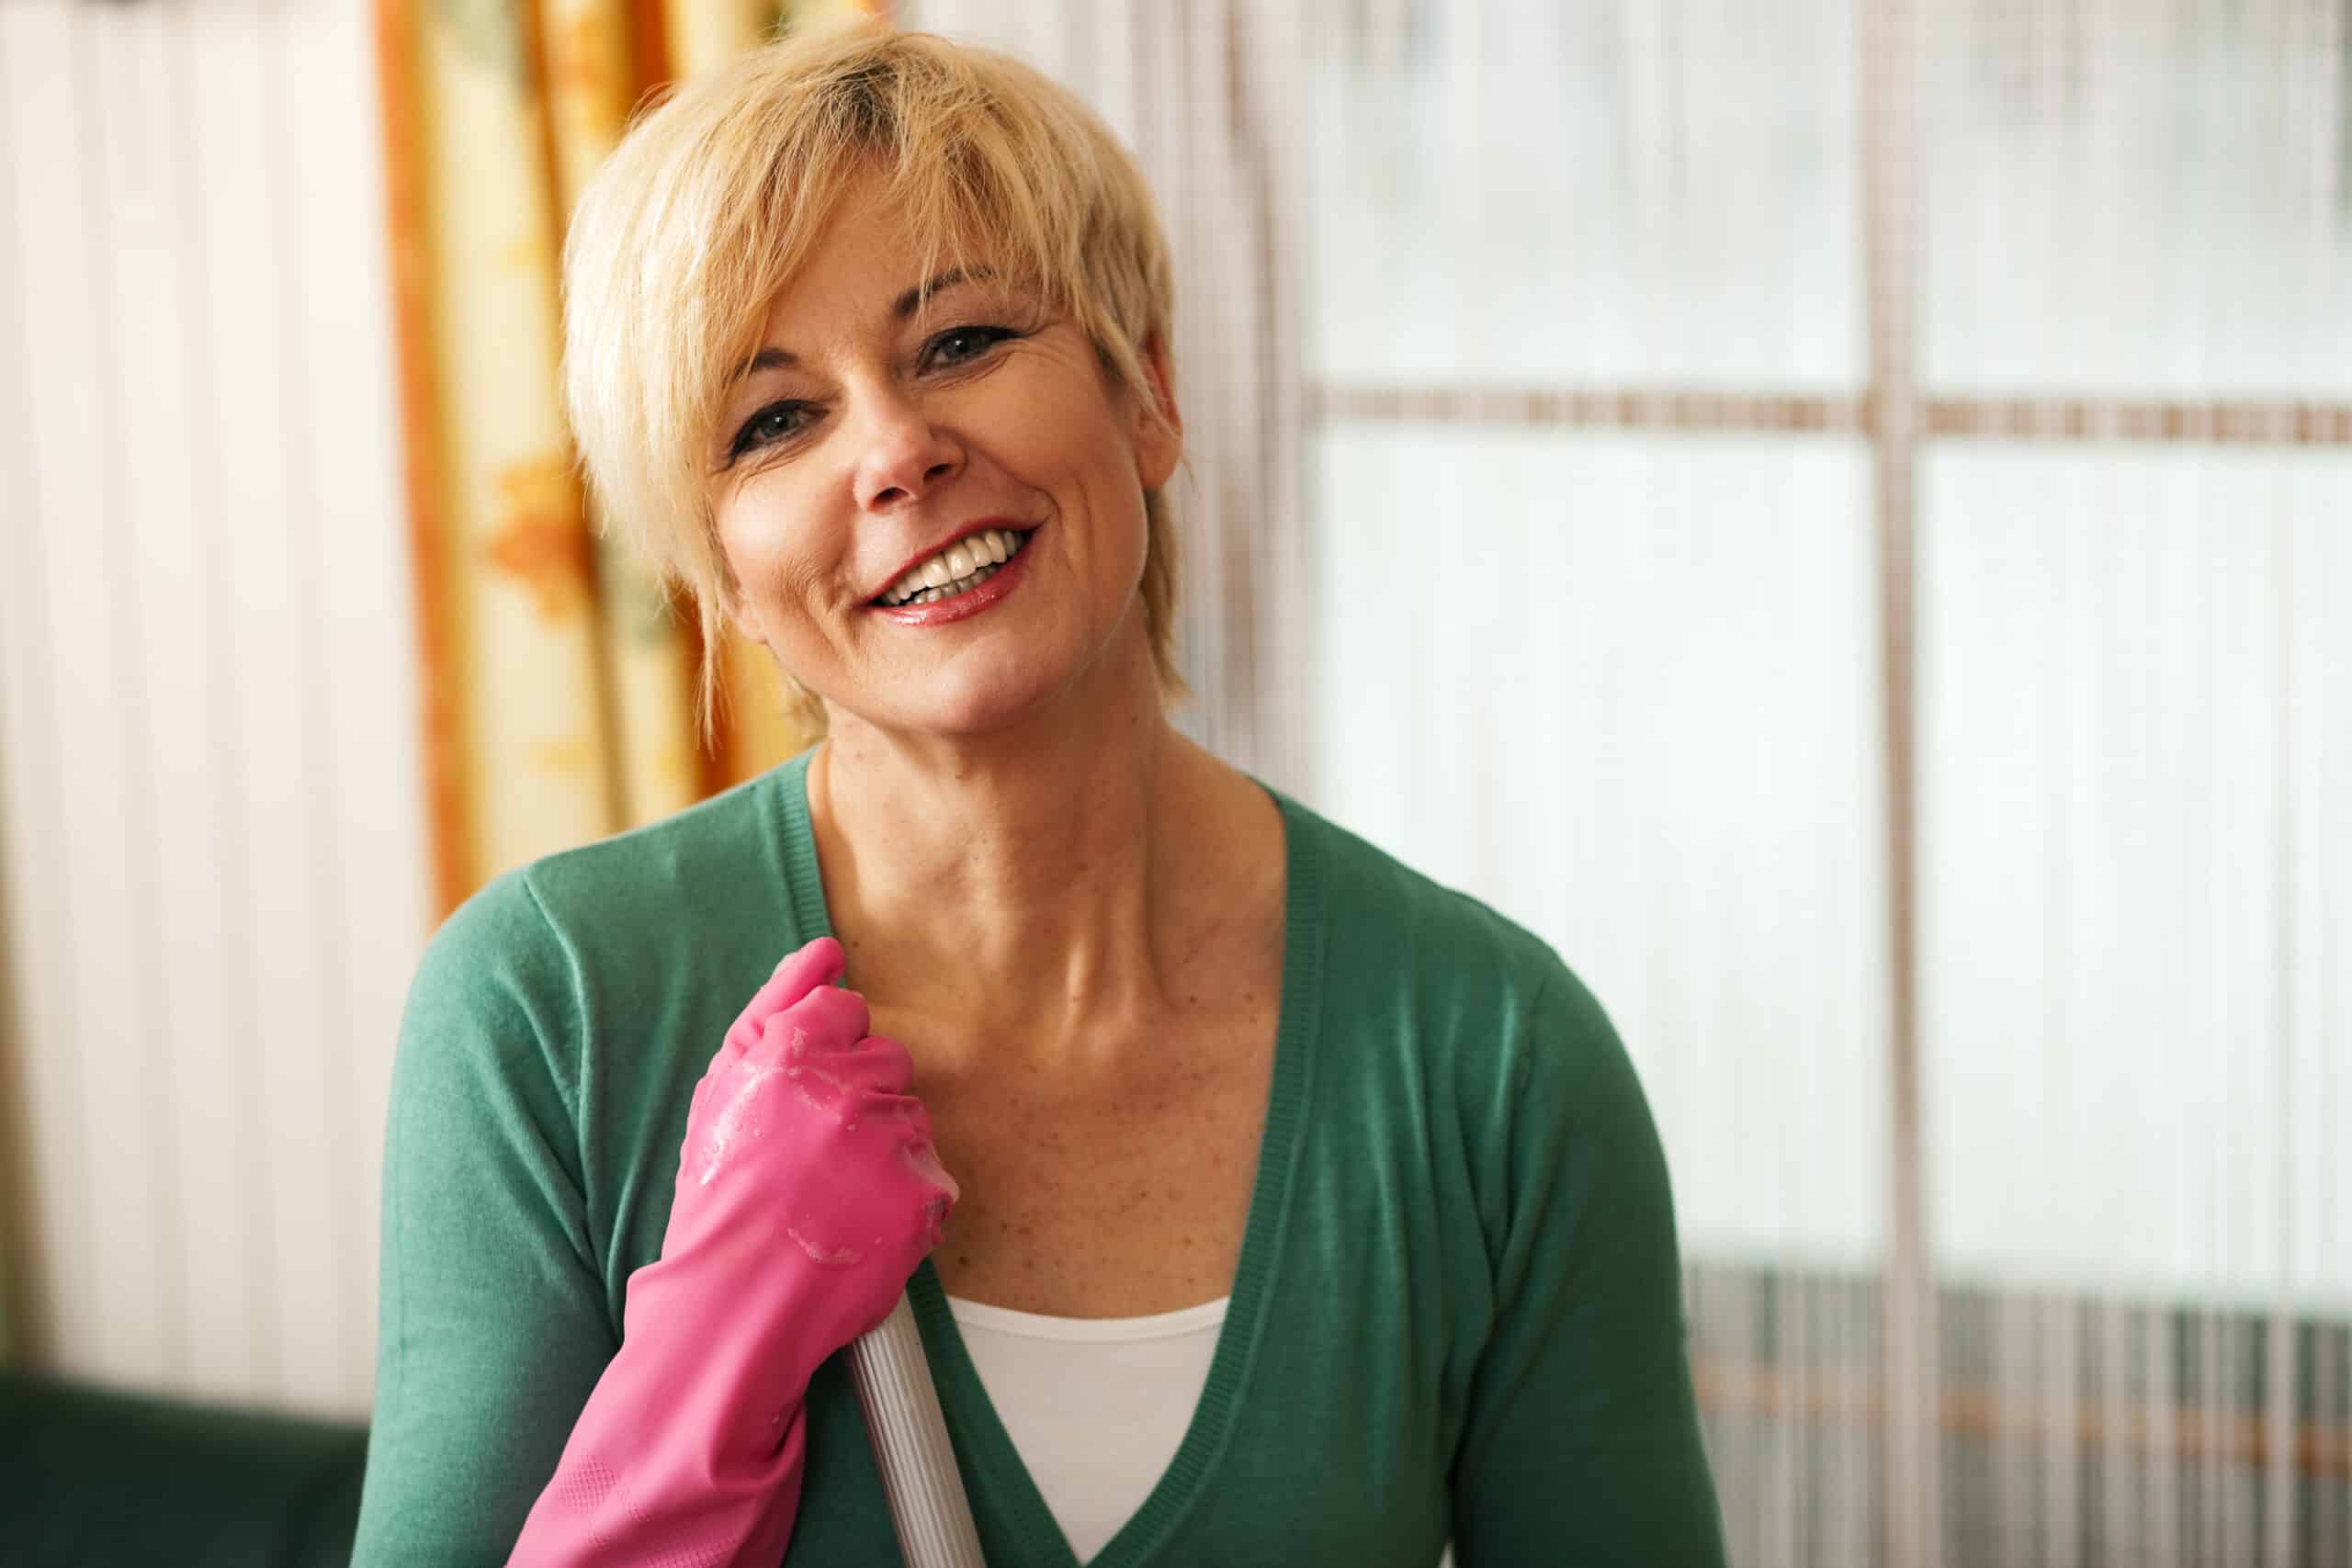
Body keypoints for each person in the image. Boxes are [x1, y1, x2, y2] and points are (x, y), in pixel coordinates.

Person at [349, 19, 1728, 1568]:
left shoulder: (1497, 1064)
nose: (896, 452)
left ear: (1147, 394)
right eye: (775, 420)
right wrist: (703, 1356)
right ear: (720, 573)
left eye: (961, 342)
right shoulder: (552, 1016)